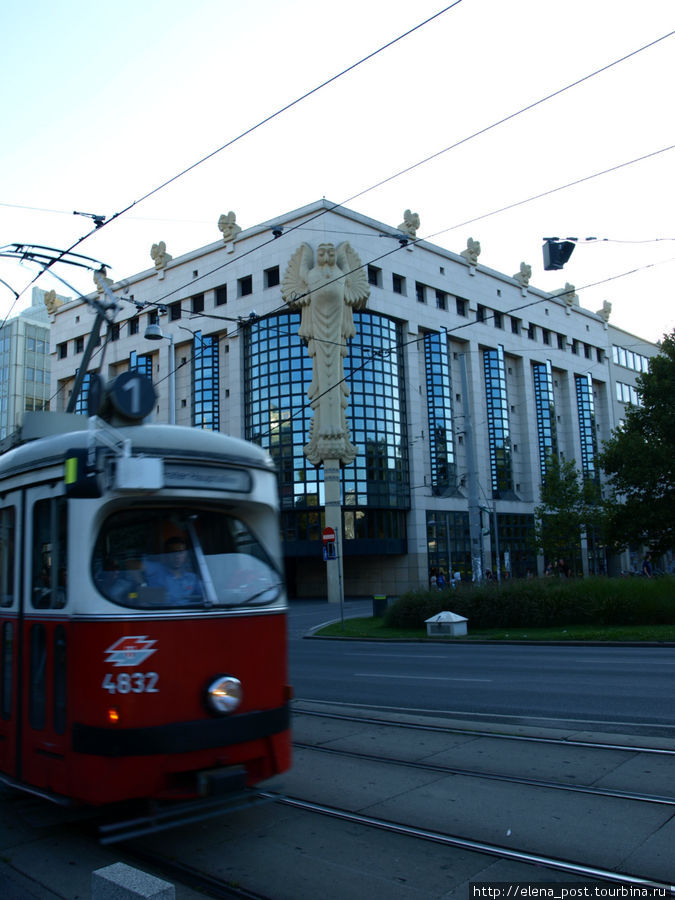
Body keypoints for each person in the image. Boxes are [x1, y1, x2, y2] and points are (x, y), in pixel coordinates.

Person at [145, 536, 203, 603]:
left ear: (186, 554)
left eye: (181, 552)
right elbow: (147, 602)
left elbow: (203, 598)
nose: (177, 556)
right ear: (166, 555)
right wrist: (139, 583)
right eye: (173, 552)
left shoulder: (192, 578)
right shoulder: (155, 575)